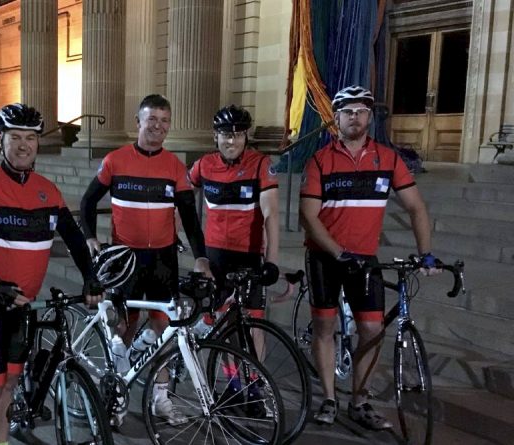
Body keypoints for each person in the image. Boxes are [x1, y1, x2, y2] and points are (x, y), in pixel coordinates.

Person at [0, 103, 103, 445]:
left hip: (25, 304)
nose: (23, 145)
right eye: (15, 137)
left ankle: (0, 442)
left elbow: (75, 239)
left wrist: (90, 276)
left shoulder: (48, 191)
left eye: (31, 138)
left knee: (9, 382)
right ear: (1, 140)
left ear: (38, 143)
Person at [299, 85, 439, 430]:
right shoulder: (320, 160)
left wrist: (426, 254)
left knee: (372, 329)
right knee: (325, 326)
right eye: (347, 112)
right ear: (337, 118)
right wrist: (338, 252)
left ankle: (359, 401)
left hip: (365, 258)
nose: (355, 118)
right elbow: (308, 216)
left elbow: (416, 207)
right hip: (325, 256)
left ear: (369, 116)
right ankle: (330, 398)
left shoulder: (387, 159)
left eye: (361, 111)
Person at [79, 93, 212, 426]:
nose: (158, 126)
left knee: (163, 328)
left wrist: (201, 258)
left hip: (163, 260)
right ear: (138, 122)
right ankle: (117, 394)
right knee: (125, 326)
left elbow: (190, 217)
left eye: (165, 121)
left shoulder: (174, 166)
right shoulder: (115, 160)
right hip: (127, 260)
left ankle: (160, 399)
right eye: (152, 119)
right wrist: (91, 238)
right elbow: (87, 202)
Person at [188, 105, 280, 328]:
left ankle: (252, 365)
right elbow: (182, 202)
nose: (232, 142)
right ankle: (225, 364)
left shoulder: (260, 164)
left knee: (252, 323)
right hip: (214, 254)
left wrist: (272, 262)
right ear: (216, 136)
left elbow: (271, 214)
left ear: (246, 136)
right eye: (227, 135)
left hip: (248, 255)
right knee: (216, 322)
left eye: (238, 135)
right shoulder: (203, 165)